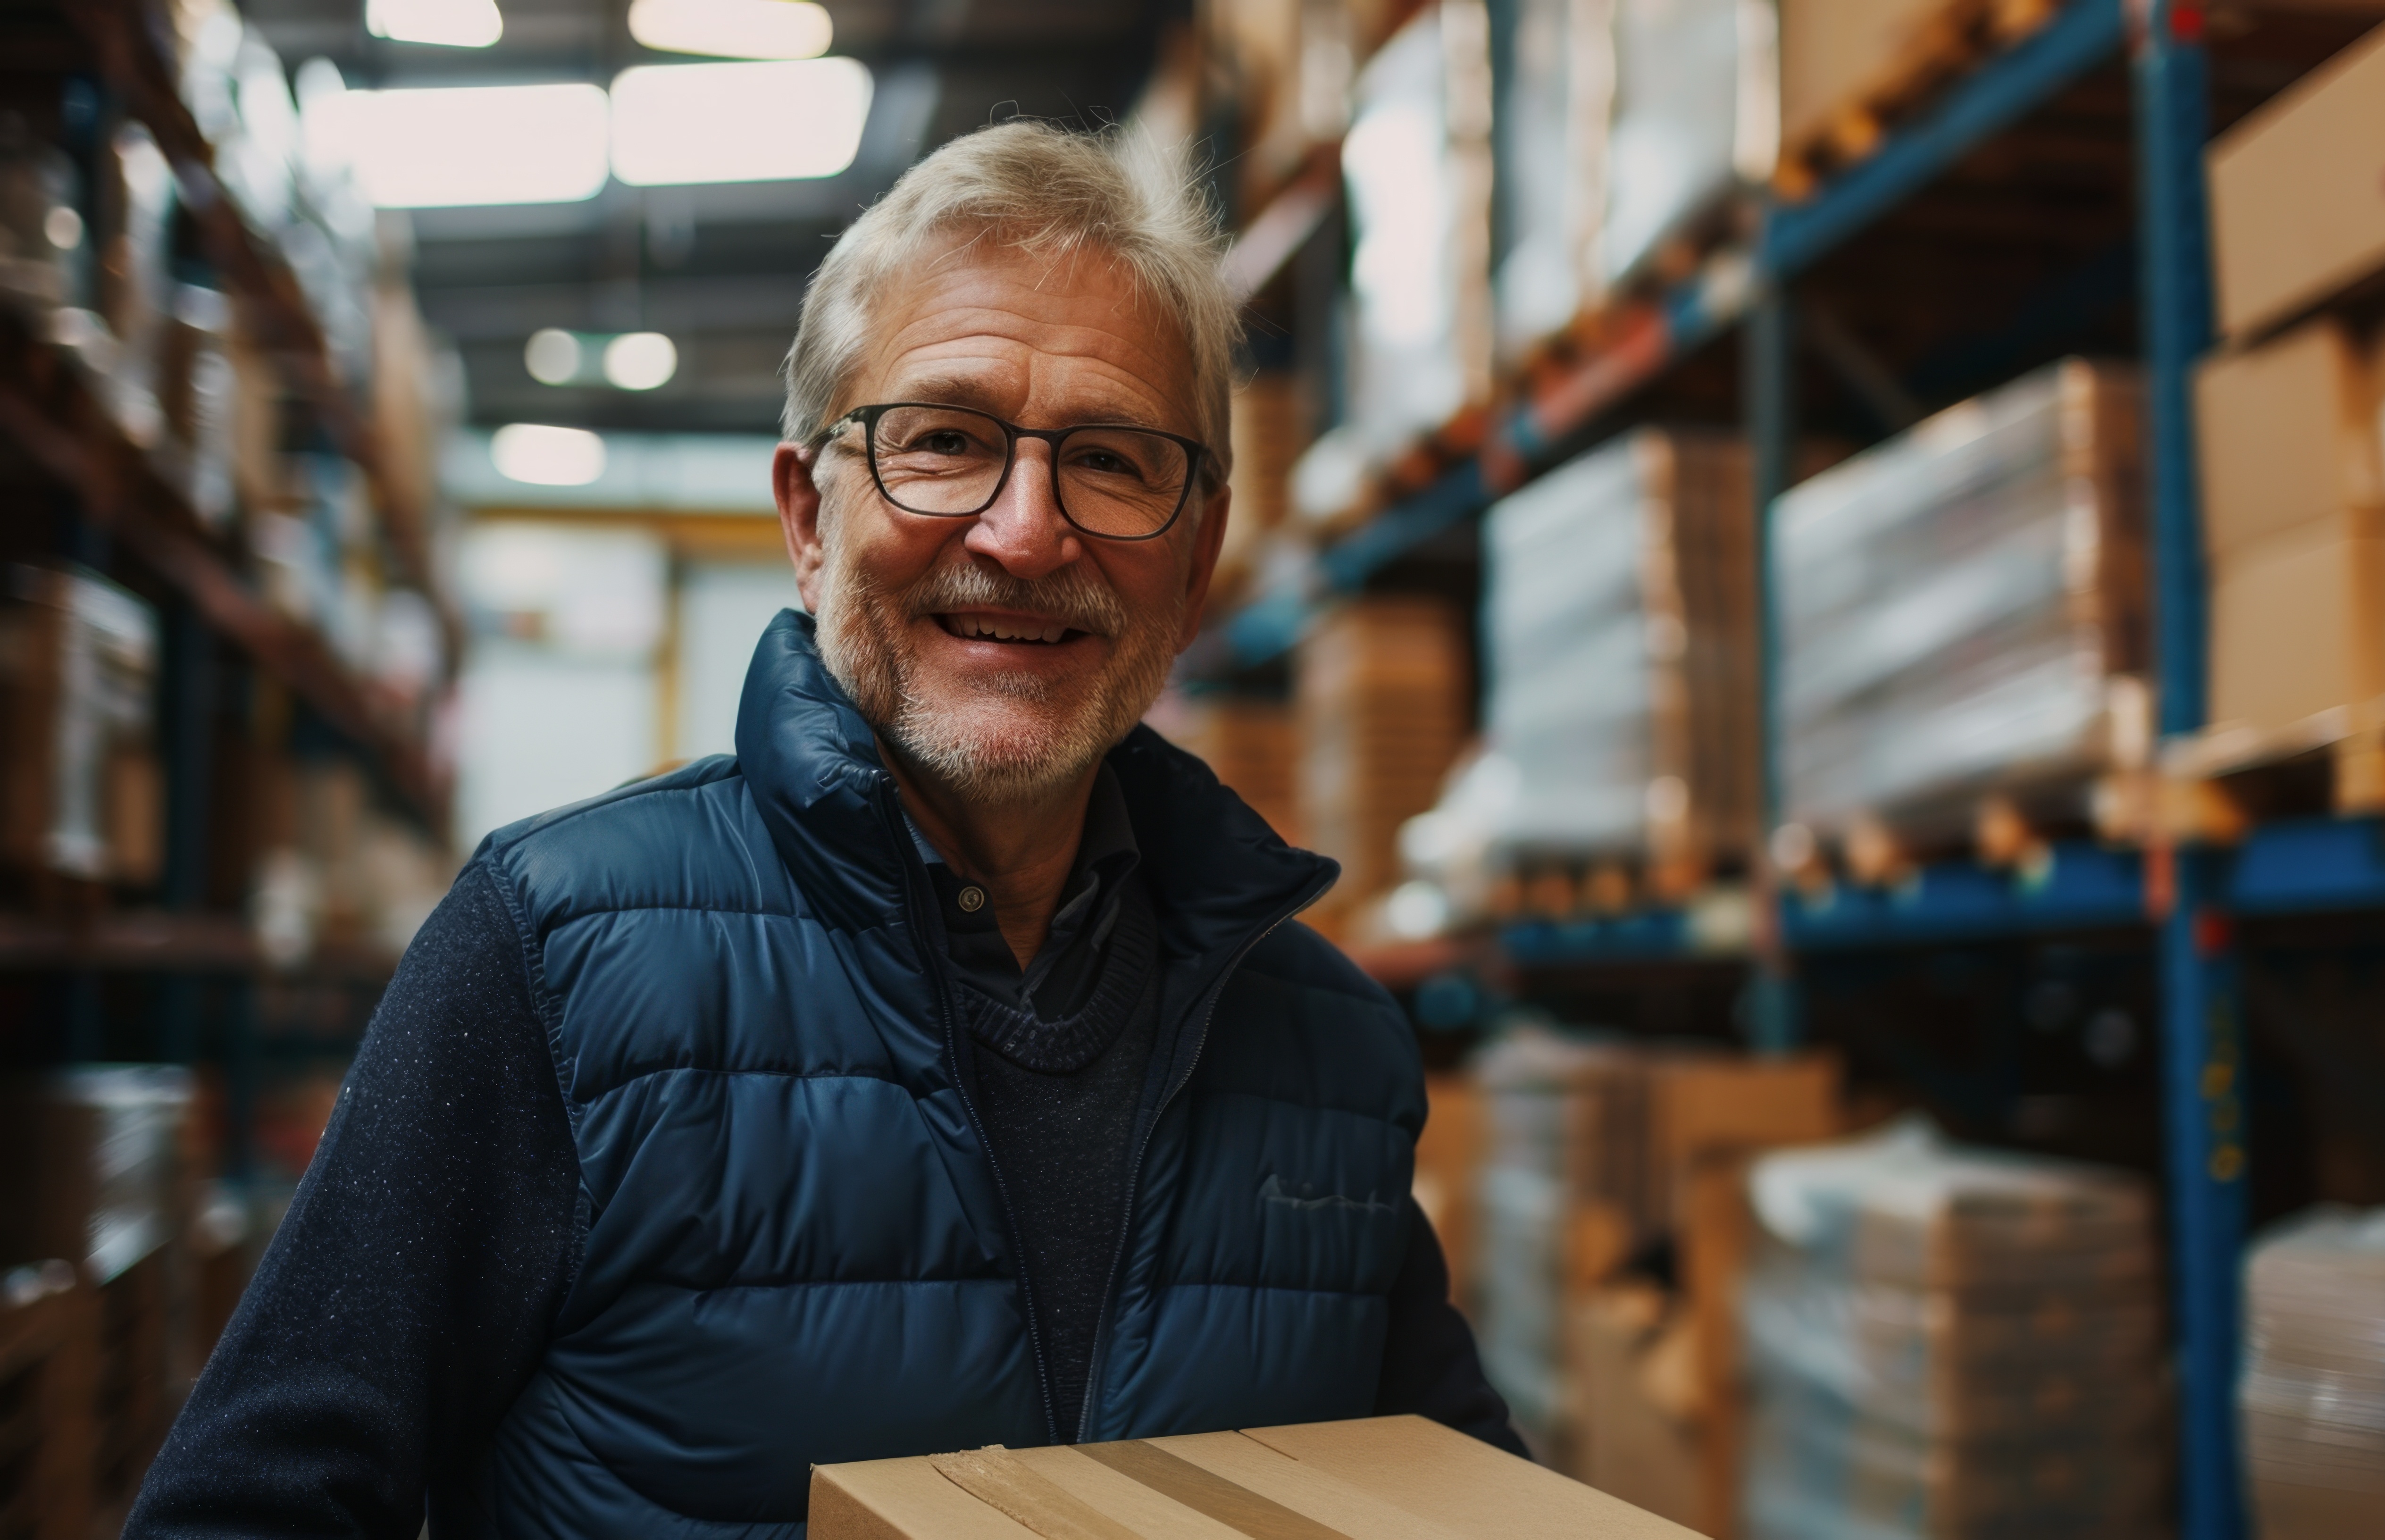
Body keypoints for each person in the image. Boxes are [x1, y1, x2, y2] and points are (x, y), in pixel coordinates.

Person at [127, 121, 1518, 1539]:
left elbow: (1467, 1505)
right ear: (808, 517)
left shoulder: (1324, 1047)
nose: (1027, 534)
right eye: (945, 440)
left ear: (1200, 549)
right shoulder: (551, 961)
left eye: (1111, 461)